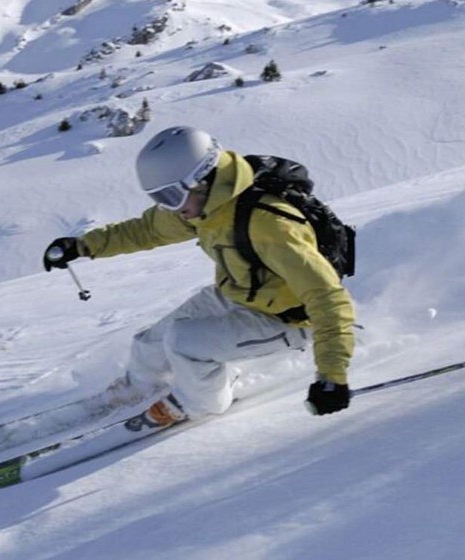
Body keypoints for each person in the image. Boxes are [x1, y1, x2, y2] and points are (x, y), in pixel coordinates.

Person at [42, 126, 356, 423]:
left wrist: (332, 378)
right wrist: (82, 246)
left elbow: (327, 297)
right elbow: (148, 229)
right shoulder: (203, 207)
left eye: (172, 196)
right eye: (160, 198)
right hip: (242, 293)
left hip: (288, 319)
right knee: (150, 344)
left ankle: (197, 404)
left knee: (184, 343)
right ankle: (138, 389)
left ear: (203, 180)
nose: (171, 208)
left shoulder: (270, 225)